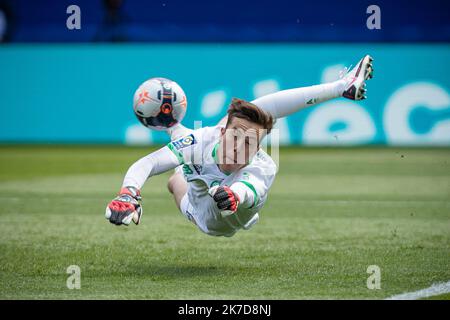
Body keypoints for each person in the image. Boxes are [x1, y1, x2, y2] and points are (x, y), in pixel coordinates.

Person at [105, 55, 374, 237]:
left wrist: (232, 196)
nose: (240, 147)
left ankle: (341, 87)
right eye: (235, 137)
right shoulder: (203, 139)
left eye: (250, 143)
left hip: (223, 221)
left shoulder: (263, 166)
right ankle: (342, 88)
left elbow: (248, 189)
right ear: (222, 132)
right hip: (201, 207)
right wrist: (128, 193)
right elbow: (148, 162)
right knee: (176, 178)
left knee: (178, 179)